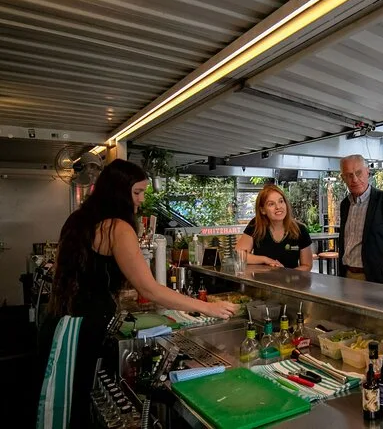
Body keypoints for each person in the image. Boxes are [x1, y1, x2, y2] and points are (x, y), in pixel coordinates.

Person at [37, 159, 239, 428]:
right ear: (118, 191)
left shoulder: (80, 219)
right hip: (82, 329)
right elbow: (149, 289)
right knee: (69, 410)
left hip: (63, 322)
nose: (142, 200)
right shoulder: (117, 227)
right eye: (137, 192)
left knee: (62, 404)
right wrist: (207, 307)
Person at [338, 155, 383, 282]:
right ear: (343, 178)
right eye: (349, 175)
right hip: (347, 274)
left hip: (376, 278)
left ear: (367, 172)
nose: (355, 179)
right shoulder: (345, 205)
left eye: (358, 173)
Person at [236, 184, 313, 270]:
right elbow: (239, 254)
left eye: (281, 201)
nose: (278, 207)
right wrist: (265, 260)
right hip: (262, 278)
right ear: (263, 210)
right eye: (271, 204)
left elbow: (307, 265)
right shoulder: (256, 225)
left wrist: (287, 275)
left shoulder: (300, 229)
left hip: (291, 278)